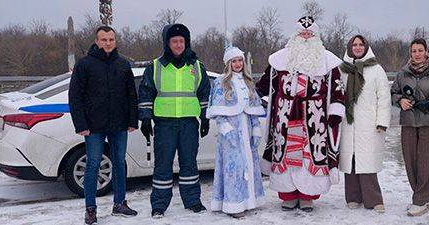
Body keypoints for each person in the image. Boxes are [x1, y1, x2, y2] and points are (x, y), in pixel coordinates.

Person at [256, 16, 345, 212]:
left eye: (309, 33)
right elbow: (263, 85)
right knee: (285, 155)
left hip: (314, 119)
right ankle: (287, 195)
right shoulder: (279, 59)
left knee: (309, 156)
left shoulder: (327, 61)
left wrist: (336, 111)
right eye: (302, 33)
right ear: (295, 35)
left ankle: (307, 196)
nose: (305, 36)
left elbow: (338, 90)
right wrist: (259, 99)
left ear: (316, 36)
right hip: (284, 118)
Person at [137, 23, 211, 218]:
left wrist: (205, 118)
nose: (178, 44)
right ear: (167, 43)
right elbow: (145, 94)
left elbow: (204, 93)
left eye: (181, 41)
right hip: (164, 124)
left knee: (189, 163)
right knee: (163, 164)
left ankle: (193, 201)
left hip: (189, 123)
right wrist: (145, 119)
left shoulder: (196, 66)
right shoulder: (155, 66)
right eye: (174, 41)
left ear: (186, 43)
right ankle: (159, 204)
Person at [68, 26, 139, 225]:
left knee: (119, 163)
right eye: (104, 39)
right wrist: (80, 124)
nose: (108, 43)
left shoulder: (123, 64)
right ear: (97, 41)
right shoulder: (85, 65)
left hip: (119, 125)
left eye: (111, 39)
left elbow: (131, 95)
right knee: (93, 165)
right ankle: (90, 209)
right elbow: (75, 97)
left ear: (115, 41)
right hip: (93, 126)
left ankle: (120, 203)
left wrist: (132, 120)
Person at [390, 38, 429, 216]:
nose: (417, 54)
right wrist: (399, 100)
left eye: (420, 50)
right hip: (409, 123)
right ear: (410, 53)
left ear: (426, 52)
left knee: (427, 162)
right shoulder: (403, 74)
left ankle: (420, 200)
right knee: (411, 162)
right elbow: (393, 93)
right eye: (413, 51)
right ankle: (423, 197)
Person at [207, 46, 266, 218]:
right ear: (228, 63)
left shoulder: (248, 82)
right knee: (234, 168)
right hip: (231, 133)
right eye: (234, 61)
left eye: (240, 60)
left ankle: (249, 200)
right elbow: (218, 111)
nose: (238, 64)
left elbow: (253, 108)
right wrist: (226, 129)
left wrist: (255, 128)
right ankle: (234, 204)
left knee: (249, 165)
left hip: (246, 130)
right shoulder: (220, 82)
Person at [338, 35, 391, 213]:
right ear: (350, 47)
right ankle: (353, 197)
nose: (358, 47)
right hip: (348, 122)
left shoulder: (376, 70)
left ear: (366, 47)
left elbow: (384, 97)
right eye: (355, 44)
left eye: (361, 45)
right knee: (350, 159)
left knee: (367, 162)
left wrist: (382, 122)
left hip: (369, 123)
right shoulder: (342, 69)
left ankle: (374, 199)